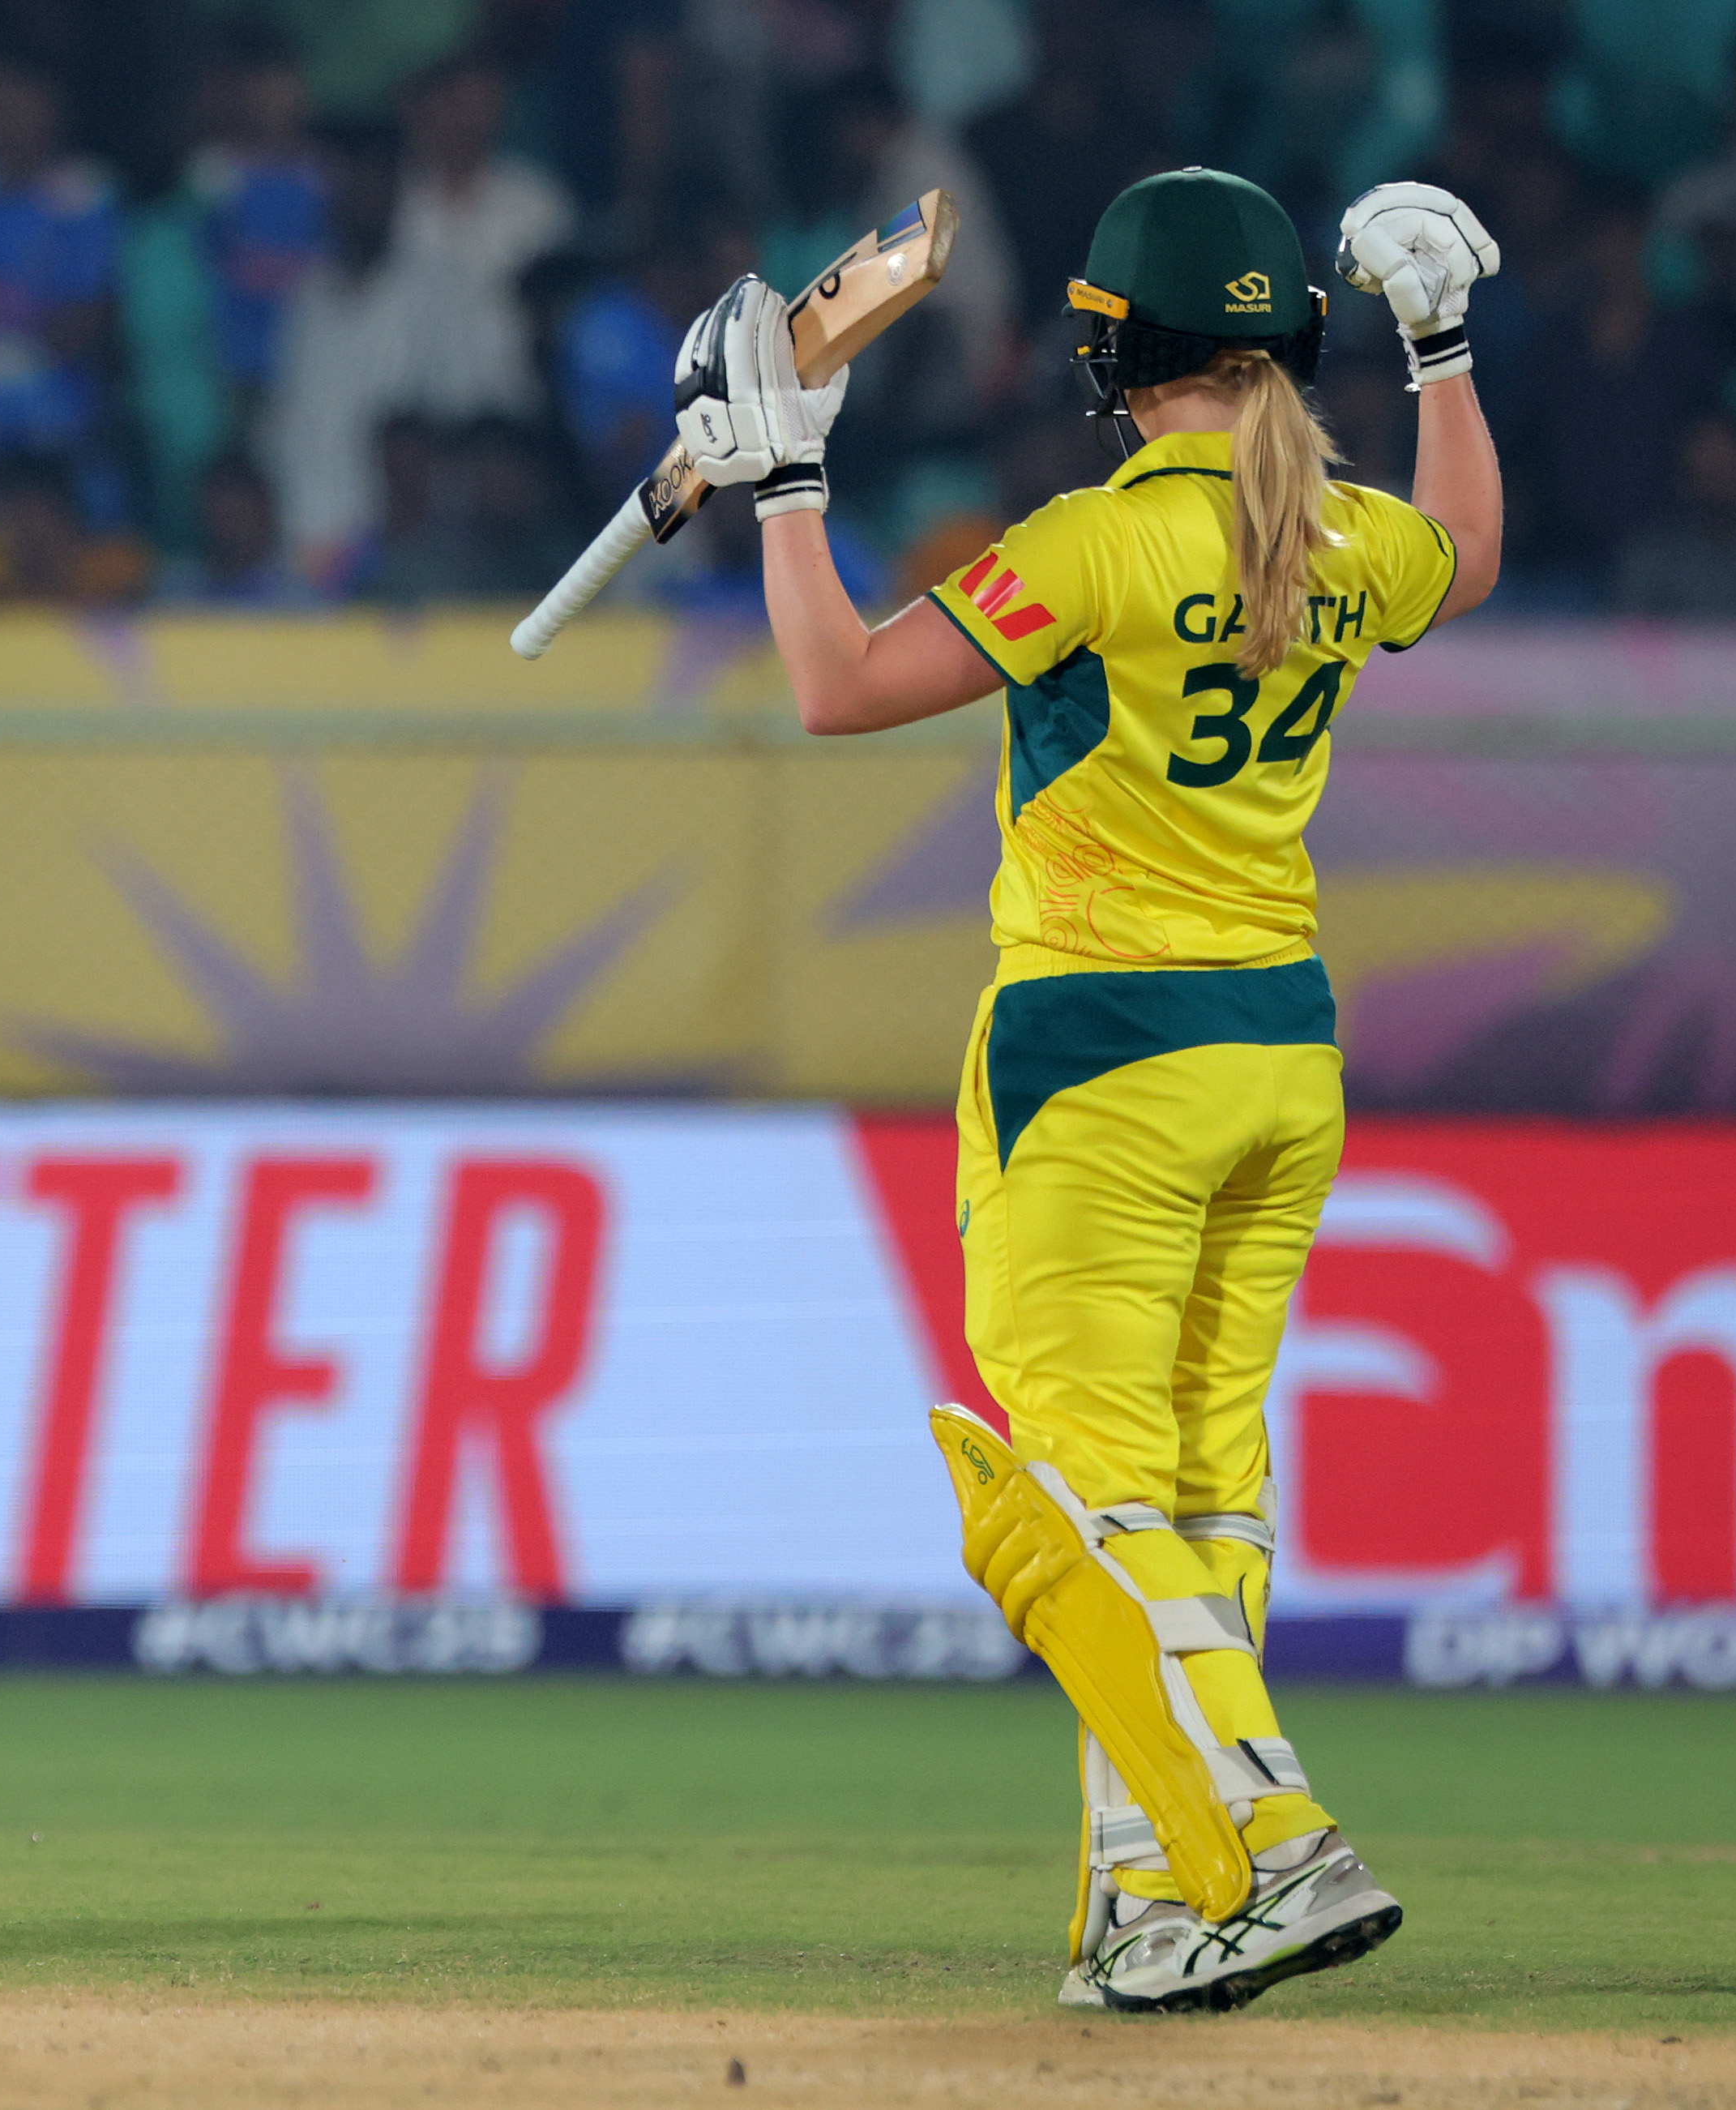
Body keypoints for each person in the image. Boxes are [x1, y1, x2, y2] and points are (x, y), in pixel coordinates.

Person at [676, 167, 1502, 2011]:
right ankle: (1152, 1897)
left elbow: (833, 687)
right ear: (1291, 342)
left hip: (1101, 1057)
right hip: (1280, 1056)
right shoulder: (1339, 533)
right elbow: (1466, 552)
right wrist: (1441, 347)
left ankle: (1267, 1852)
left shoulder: (1086, 545)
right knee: (1196, 1495)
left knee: (1080, 1499)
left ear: (1111, 354)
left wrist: (787, 482)